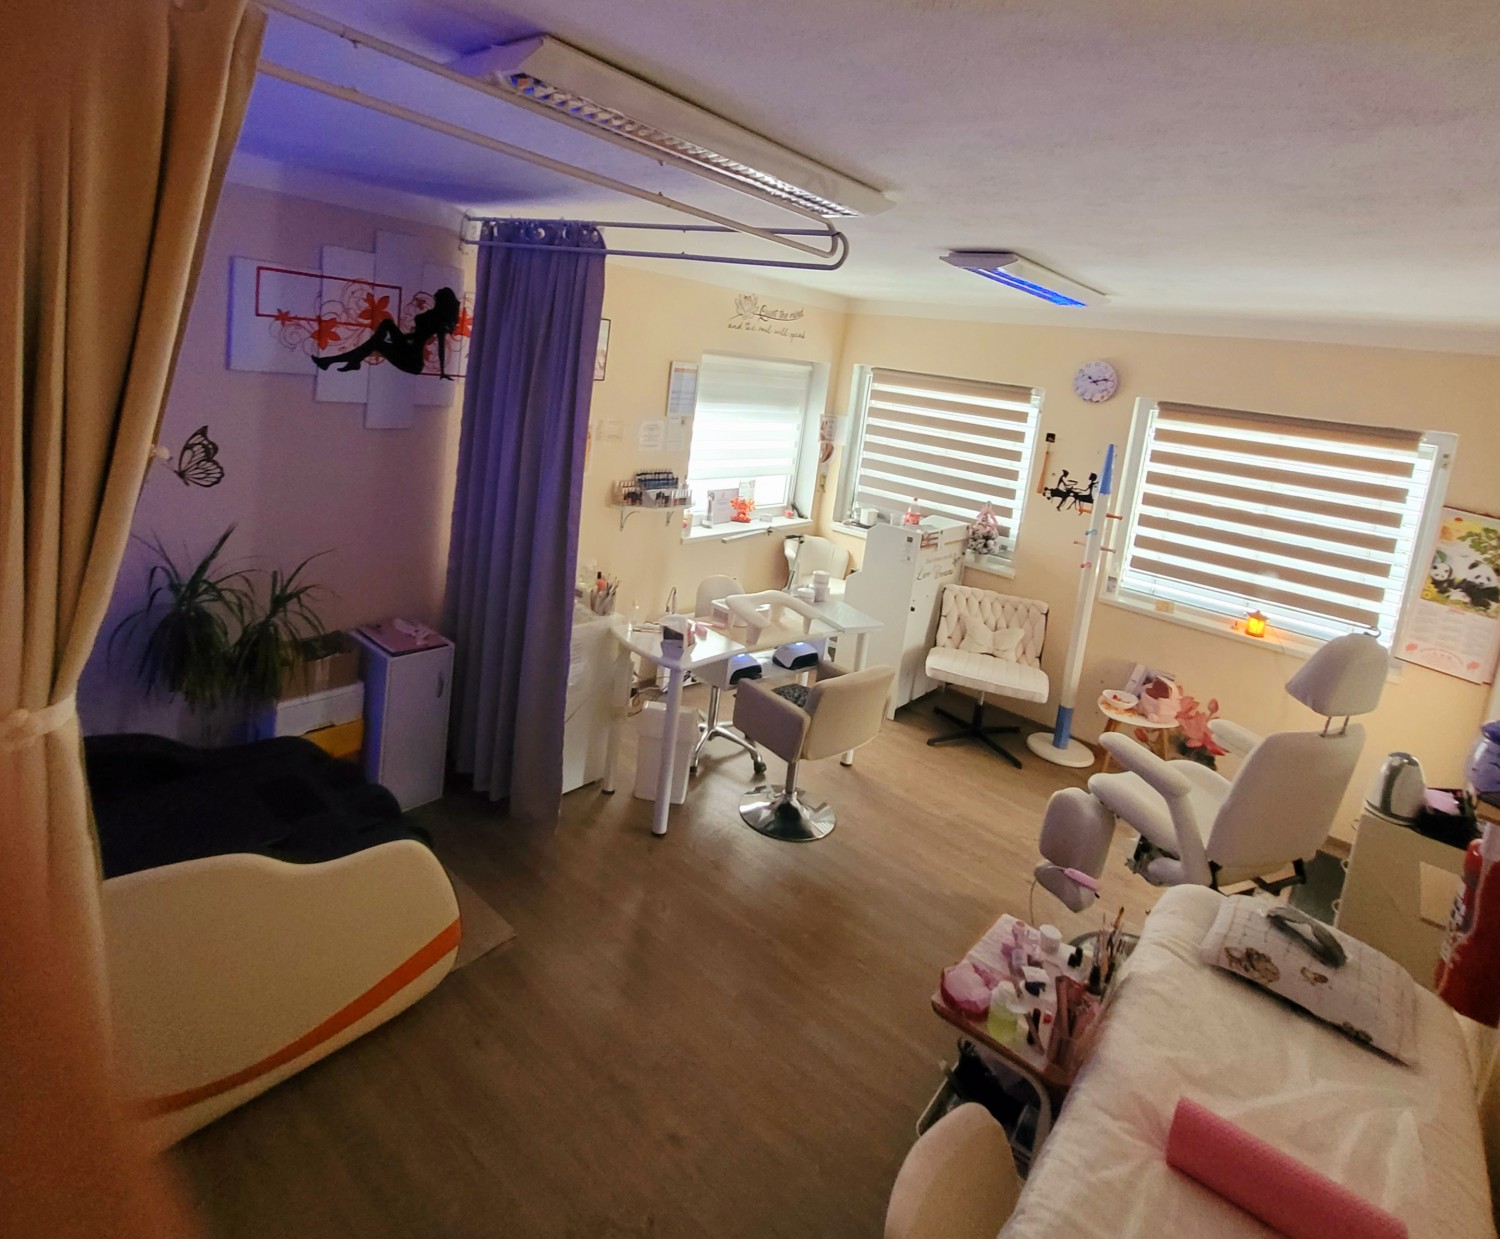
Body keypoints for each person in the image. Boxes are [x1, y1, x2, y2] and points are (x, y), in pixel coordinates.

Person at [313, 286, 461, 379]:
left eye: (437, 297)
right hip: (406, 348)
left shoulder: (438, 321)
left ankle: (341, 361)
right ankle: (339, 361)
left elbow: (440, 347)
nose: (434, 298)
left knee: (377, 341)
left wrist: (442, 371)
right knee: (386, 325)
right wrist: (398, 337)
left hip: (412, 361)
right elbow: (416, 336)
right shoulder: (431, 315)